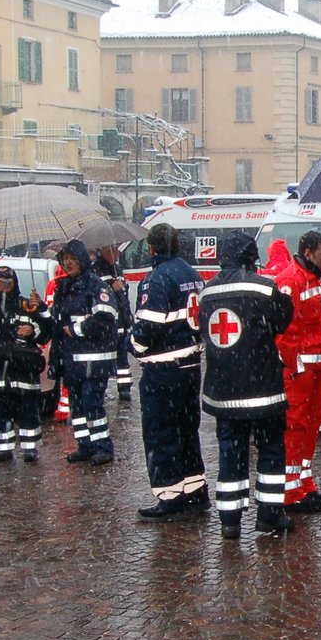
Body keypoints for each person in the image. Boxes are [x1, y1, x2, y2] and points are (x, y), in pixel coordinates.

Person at [199, 231, 295, 539]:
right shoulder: (265, 288)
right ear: (251, 257)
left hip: (223, 390)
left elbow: (203, 330)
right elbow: (283, 320)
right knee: (270, 451)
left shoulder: (207, 293)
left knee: (230, 451)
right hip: (262, 388)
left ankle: (229, 520)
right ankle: (268, 516)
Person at [129, 222, 208, 521]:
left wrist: (133, 343)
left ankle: (169, 495)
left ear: (152, 247)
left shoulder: (156, 278)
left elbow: (149, 326)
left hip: (163, 367)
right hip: (190, 365)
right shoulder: (191, 273)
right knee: (187, 430)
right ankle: (195, 490)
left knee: (161, 433)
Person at [0, 264, 52, 463]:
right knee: (0, 409)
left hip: (23, 368)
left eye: (8, 280)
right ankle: (4, 448)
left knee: (28, 409)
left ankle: (30, 448)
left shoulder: (26, 305)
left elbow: (48, 330)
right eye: (0, 280)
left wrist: (36, 323)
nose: (5, 284)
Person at [276, 230, 321, 512]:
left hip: (315, 367)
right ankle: (290, 492)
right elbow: (284, 332)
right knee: (294, 427)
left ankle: (304, 482)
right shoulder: (291, 281)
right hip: (299, 370)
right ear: (308, 253)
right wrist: (296, 368)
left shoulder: (313, 280)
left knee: (311, 425)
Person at [50, 240, 120, 466]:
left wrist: (76, 329)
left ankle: (103, 446)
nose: (68, 263)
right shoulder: (63, 288)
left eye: (72, 258)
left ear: (82, 259)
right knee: (77, 407)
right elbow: (56, 322)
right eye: (65, 259)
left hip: (94, 359)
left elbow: (105, 318)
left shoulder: (97, 286)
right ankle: (85, 445)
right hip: (71, 360)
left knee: (92, 403)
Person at [94, 242, 135, 401]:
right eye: (113, 250)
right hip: (110, 324)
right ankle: (101, 388)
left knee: (123, 359)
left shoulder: (117, 269)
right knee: (107, 358)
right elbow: (99, 294)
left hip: (123, 321)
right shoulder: (96, 269)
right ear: (105, 251)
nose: (117, 253)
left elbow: (124, 296)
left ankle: (125, 388)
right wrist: (112, 287)